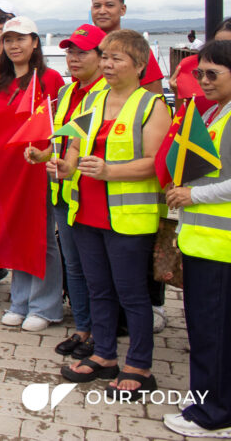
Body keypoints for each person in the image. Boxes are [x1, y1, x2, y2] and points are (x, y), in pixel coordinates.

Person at [50, 30, 171, 393]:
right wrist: (65, 166)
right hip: (86, 210)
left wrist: (109, 172)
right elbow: (75, 147)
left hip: (127, 218)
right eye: (104, 57)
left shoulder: (152, 105)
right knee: (98, 288)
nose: (107, 64)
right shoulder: (93, 100)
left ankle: (139, 365)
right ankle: (104, 354)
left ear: (139, 65)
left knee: (131, 293)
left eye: (116, 58)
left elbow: (156, 163)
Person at [26, 24, 107, 356]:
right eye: (70, 52)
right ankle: (83, 328)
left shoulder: (107, 94)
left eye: (82, 52)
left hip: (94, 193)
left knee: (95, 269)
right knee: (73, 264)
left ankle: (101, 334)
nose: (74, 58)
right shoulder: (66, 93)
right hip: (64, 192)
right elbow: (61, 141)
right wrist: (42, 155)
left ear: (102, 57)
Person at [163, 40, 231, 437]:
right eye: (199, 73)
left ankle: (213, 414)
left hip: (220, 247)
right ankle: (208, 398)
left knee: (213, 333)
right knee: (207, 331)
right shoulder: (216, 112)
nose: (203, 81)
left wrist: (194, 195)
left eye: (212, 74)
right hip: (204, 241)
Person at [0, 16, 65, 331]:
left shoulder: (51, 79)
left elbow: (60, 124)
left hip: (39, 167)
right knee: (18, 235)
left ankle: (46, 306)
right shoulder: (0, 81)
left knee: (43, 237)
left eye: (20, 39)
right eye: (8, 40)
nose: (14, 45)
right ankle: (20, 301)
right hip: (9, 170)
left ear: (35, 42)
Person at [90, 0, 164, 94]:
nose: (102, 11)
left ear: (123, 9)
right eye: (97, 6)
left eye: (109, 5)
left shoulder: (136, 48)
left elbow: (154, 94)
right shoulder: (83, 48)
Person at [171, 18, 231, 112]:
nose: (221, 50)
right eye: (217, 44)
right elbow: (184, 117)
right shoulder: (194, 68)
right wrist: (178, 93)